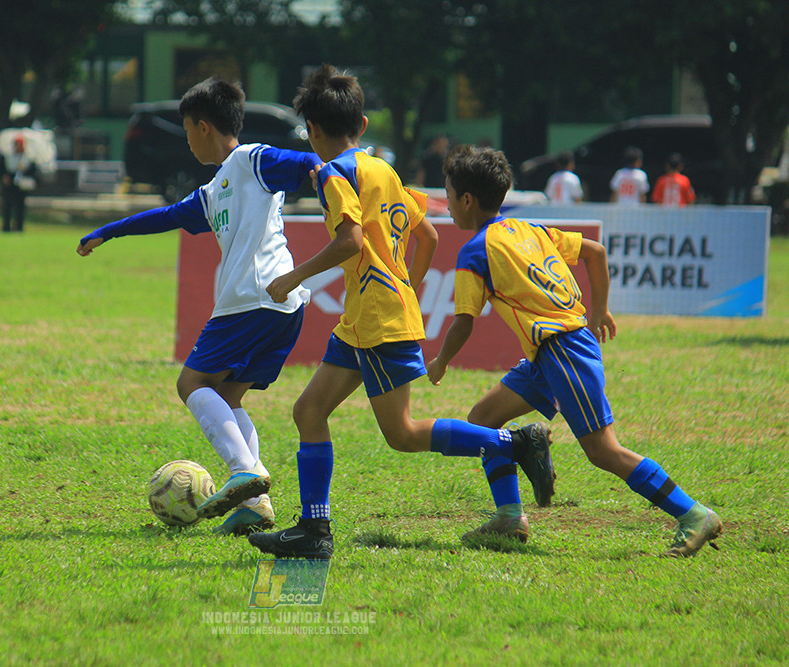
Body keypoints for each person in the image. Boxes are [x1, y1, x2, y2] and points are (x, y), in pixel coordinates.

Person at [247, 65, 555, 560]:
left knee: (404, 434)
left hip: (376, 320)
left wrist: (293, 277)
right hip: (367, 316)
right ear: (363, 126)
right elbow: (428, 233)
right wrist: (404, 284)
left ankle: (512, 443)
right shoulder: (382, 169)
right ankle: (314, 529)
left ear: (313, 132)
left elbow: (349, 241)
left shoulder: (333, 173)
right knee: (308, 410)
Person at [426, 144, 722, 557]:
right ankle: (510, 517)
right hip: (548, 352)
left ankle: (693, 513)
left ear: (468, 200)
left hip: (562, 348)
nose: (448, 206)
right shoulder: (529, 229)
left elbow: (464, 321)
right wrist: (598, 310)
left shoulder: (475, 251)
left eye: (449, 195)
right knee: (484, 418)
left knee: (603, 450)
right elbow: (595, 253)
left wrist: (440, 361)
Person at [77, 77, 321, 535]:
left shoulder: (252, 160)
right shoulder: (215, 190)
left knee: (191, 383)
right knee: (228, 396)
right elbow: (166, 216)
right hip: (283, 307)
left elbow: (310, 162)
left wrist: (343, 174)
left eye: (187, 129)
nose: (186, 140)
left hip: (248, 301)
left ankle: (245, 473)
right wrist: (110, 230)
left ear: (203, 127)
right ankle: (258, 505)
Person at [1, 133, 38, 233]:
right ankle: (6, 227)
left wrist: (25, 169)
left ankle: (19, 227)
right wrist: (5, 176)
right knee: (7, 206)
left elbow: (34, 172)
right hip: (10, 184)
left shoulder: (28, 158)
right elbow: (2, 169)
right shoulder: (8, 156)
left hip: (21, 185)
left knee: (20, 207)